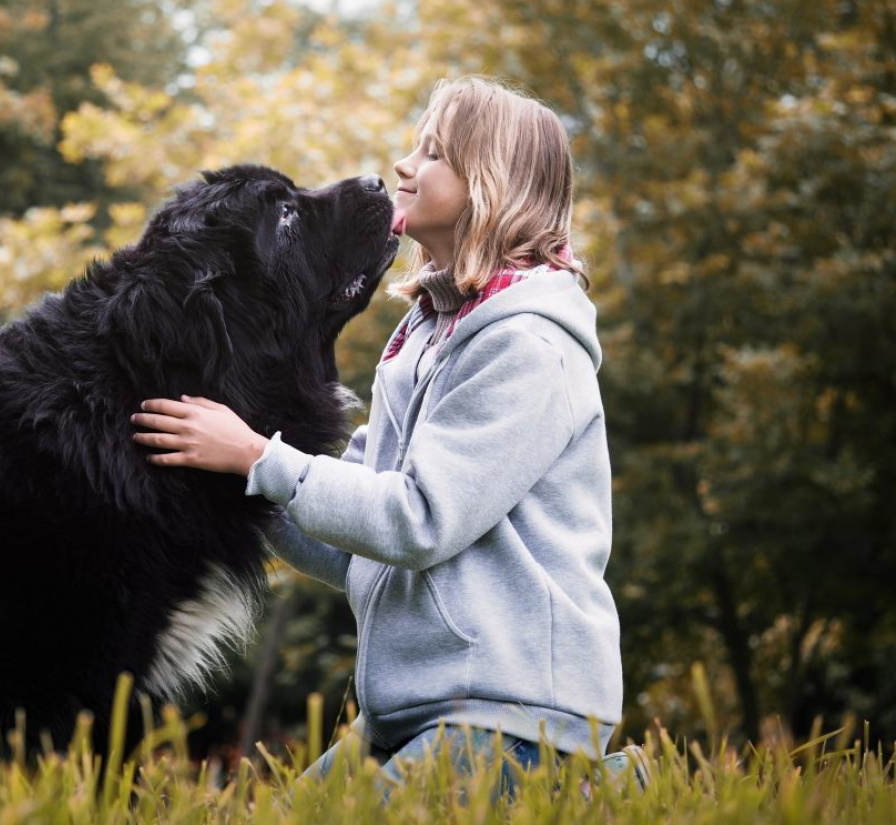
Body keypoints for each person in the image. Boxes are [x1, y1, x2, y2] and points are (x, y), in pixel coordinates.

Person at [129, 75, 648, 793]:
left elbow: (417, 519)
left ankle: (591, 788)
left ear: (492, 185)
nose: (405, 165)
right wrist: (237, 476)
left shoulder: (527, 347)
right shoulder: (428, 333)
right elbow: (357, 541)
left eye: (434, 153)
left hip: (509, 718)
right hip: (409, 713)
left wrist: (258, 455)